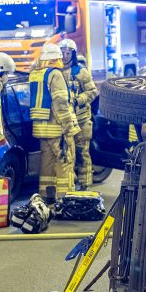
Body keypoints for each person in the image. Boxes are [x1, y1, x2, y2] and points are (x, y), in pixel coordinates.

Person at [28, 43, 81, 202]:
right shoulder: (55, 74)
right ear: (54, 58)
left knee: (47, 163)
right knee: (65, 161)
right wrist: (68, 125)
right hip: (56, 128)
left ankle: (46, 194)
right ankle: (65, 197)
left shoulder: (35, 73)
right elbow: (61, 102)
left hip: (40, 129)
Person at [60, 38, 98, 189]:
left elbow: (93, 91)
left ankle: (85, 185)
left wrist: (79, 100)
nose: (65, 56)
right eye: (62, 53)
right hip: (66, 121)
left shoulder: (81, 72)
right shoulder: (56, 72)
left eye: (68, 53)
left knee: (83, 154)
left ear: (73, 54)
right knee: (68, 155)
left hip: (81, 120)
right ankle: (69, 185)